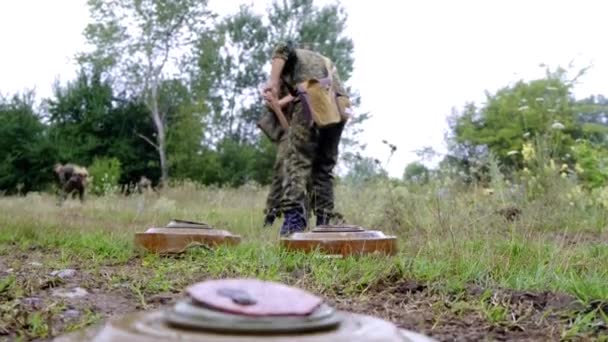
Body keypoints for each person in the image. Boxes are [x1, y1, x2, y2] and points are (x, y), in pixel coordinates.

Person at [262, 41, 351, 236]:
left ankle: (294, 222)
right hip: (340, 105)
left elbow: (282, 46)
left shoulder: (297, 57)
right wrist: (278, 106)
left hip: (314, 96)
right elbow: (290, 129)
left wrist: (273, 82)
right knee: (324, 167)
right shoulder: (323, 63)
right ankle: (324, 223)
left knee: (297, 161)